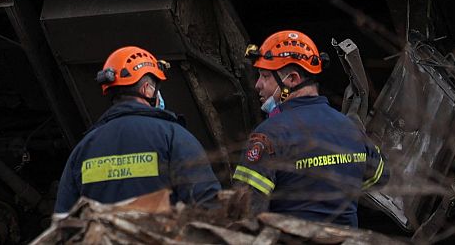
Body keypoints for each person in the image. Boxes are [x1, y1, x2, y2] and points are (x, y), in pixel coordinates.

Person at [232, 30, 385, 227]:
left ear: (292, 79)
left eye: (264, 76)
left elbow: (243, 211)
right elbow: (380, 178)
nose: (257, 85)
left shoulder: (268, 135)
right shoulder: (351, 128)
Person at [53, 46, 220, 216]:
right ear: (146, 89)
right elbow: (206, 205)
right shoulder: (174, 137)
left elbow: (64, 220)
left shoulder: (83, 149)